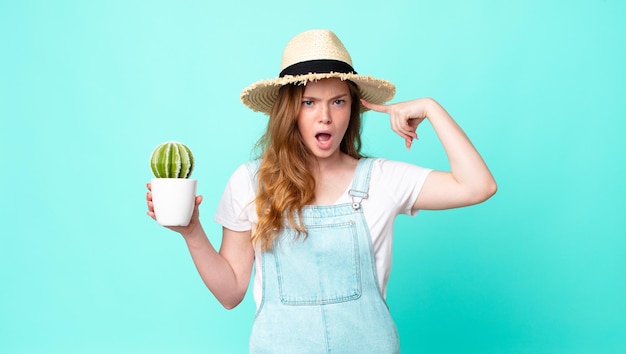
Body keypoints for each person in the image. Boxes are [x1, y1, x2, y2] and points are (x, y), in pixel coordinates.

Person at [146, 29, 496, 353]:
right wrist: (191, 232)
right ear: (289, 111)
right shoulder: (251, 182)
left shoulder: (381, 179)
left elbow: (479, 186)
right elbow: (230, 292)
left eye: (338, 101)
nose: (325, 117)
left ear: (353, 109)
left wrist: (431, 108)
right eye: (309, 102)